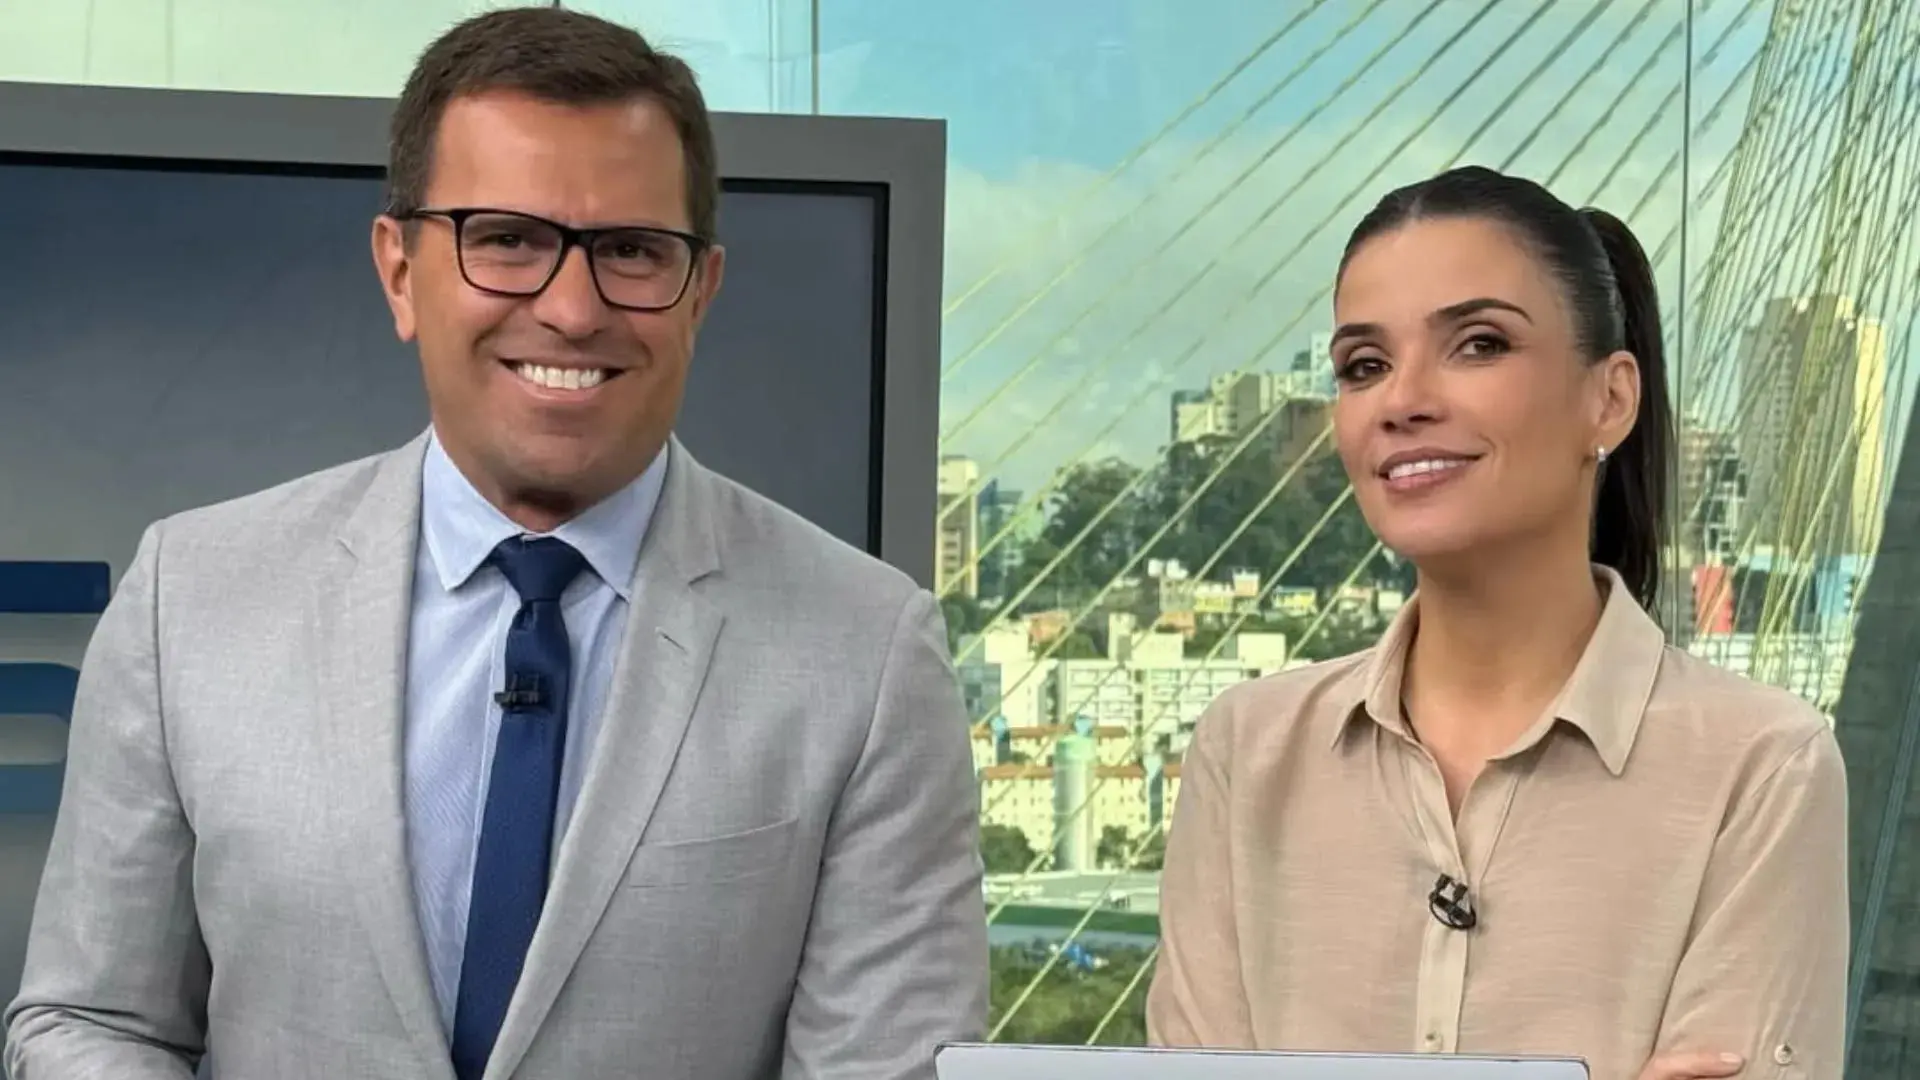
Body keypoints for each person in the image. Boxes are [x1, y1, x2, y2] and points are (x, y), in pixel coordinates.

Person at [4, 8, 987, 1079]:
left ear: (701, 290)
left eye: (630, 250)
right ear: (399, 271)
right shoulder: (189, 598)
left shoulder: (867, 653)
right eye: (507, 239)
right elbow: (90, 1021)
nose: (571, 309)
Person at [1145, 165, 1848, 1080]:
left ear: (1610, 398)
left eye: (1478, 345)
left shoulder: (1759, 769)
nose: (1402, 400)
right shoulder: (1248, 753)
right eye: (1364, 366)